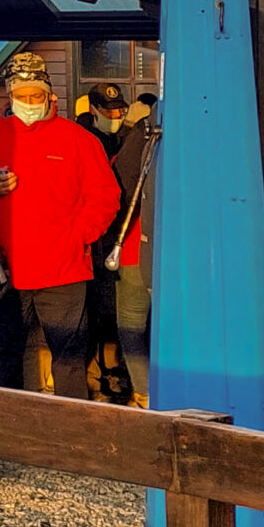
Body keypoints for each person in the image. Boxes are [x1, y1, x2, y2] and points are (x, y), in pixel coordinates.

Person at [0, 53, 121, 399]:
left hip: (64, 270)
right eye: (21, 95)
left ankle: (70, 439)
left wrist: (79, 236)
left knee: (69, 359)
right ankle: (1, 435)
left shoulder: (79, 140)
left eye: (35, 95)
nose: (28, 103)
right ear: (9, 96)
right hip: (6, 272)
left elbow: (106, 196)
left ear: (50, 96)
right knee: (2, 357)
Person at [109, 103, 158, 406]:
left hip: (131, 247)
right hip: (170, 250)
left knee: (131, 325)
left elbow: (122, 190)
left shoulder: (139, 139)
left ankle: (143, 391)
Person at [77, 82, 130, 158]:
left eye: (120, 109)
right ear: (92, 109)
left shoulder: (128, 135)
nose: (117, 115)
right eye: (109, 111)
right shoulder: (80, 138)